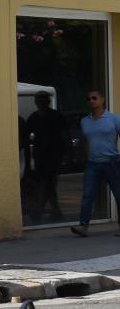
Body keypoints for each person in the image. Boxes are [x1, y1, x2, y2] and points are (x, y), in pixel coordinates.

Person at [70, 89, 120, 235]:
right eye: (88, 99)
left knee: (118, 194)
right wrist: (85, 158)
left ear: (102, 100)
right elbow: (85, 142)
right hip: (92, 163)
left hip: (111, 162)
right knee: (88, 195)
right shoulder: (85, 121)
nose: (91, 100)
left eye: (94, 98)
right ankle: (83, 227)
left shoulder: (114, 119)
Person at [26, 92, 66, 222]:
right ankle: (55, 211)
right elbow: (27, 138)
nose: (40, 103)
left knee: (46, 182)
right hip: (40, 156)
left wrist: (67, 155)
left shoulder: (56, 116)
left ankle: (39, 210)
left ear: (48, 101)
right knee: (48, 184)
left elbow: (65, 135)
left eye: (43, 100)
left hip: (54, 155)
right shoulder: (33, 118)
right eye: (38, 100)